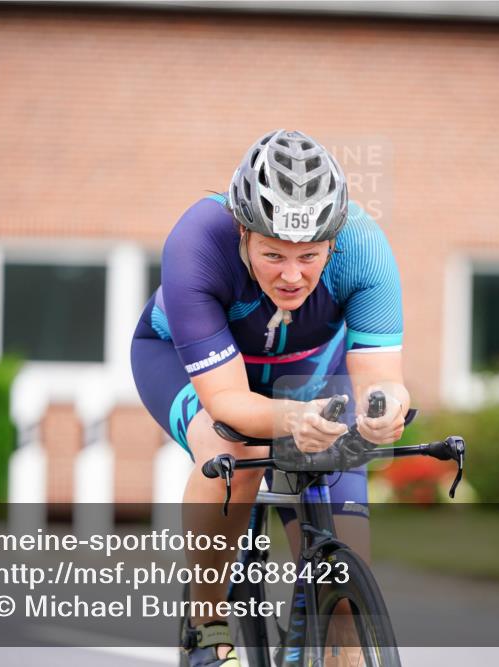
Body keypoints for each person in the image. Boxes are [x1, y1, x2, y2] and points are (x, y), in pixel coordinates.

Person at [131, 129, 409, 666]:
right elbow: (231, 403)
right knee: (233, 450)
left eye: (309, 255)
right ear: (242, 231)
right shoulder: (198, 242)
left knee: (349, 612)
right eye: (272, 253)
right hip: (186, 364)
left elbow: (380, 379)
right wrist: (291, 419)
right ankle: (207, 627)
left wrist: (384, 410)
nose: (291, 275)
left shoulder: (364, 247)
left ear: (333, 241)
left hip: (307, 374)